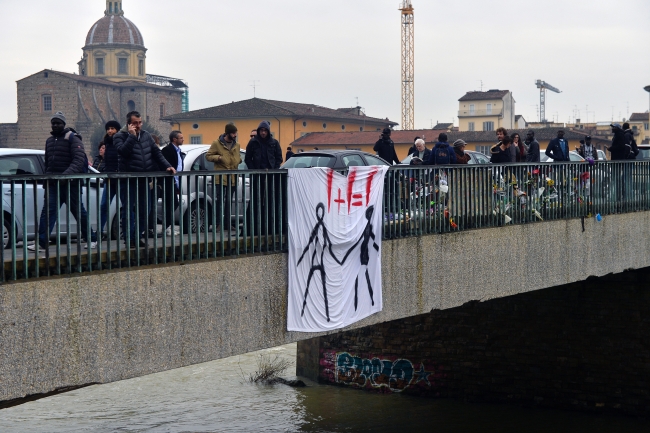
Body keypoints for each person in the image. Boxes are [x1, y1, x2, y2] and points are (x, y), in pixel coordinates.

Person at [28, 112, 97, 252]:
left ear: (64, 124)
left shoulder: (73, 138)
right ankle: (41, 243)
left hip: (70, 184)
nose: (55, 125)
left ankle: (92, 239)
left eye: (58, 123)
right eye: (53, 123)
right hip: (53, 184)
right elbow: (48, 163)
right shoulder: (49, 141)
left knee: (79, 212)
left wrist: (64, 176)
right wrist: (47, 180)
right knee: (47, 213)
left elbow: (78, 161)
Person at [114, 111, 175, 247]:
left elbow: (156, 153)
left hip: (144, 178)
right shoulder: (119, 136)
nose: (138, 125)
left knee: (145, 209)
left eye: (140, 122)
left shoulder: (147, 135)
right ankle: (129, 239)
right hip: (128, 178)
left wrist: (167, 166)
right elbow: (123, 152)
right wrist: (132, 136)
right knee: (128, 210)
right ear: (128, 124)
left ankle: (136, 236)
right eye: (135, 123)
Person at [244, 120, 283, 237]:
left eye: (265, 130)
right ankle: (254, 228)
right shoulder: (253, 142)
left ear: (268, 131)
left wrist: (274, 170)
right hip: (257, 175)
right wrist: (254, 170)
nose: (263, 133)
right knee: (256, 200)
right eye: (261, 130)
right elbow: (247, 158)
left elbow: (279, 158)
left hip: (271, 175)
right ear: (259, 131)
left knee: (271, 200)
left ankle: (272, 228)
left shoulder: (274, 143)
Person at [206, 123, 242, 233]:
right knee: (219, 201)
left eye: (235, 133)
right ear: (227, 133)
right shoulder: (217, 143)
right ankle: (217, 224)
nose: (235, 135)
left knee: (229, 202)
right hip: (221, 177)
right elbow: (208, 156)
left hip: (233, 177)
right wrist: (218, 157)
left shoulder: (237, 145)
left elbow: (238, 157)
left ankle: (227, 224)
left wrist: (239, 160)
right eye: (233, 133)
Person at [98, 120, 121, 240]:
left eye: (112, 128)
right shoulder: (106, 142)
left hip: (120, 179)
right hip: (110, 179)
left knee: (126, 207)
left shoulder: (121, 141)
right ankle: (99, 232)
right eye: (108, 128)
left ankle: (130, 234)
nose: (110, 131)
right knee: (103, 206)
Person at [159, 130, 185, 236]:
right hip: (169, 181)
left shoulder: (179, 151)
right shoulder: (167, 150)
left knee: (173, 203)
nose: (183, 139)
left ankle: (167, 226)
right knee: (171, 203)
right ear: (174, 139)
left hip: (176, 181)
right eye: (181, 138)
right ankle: (166, 227)